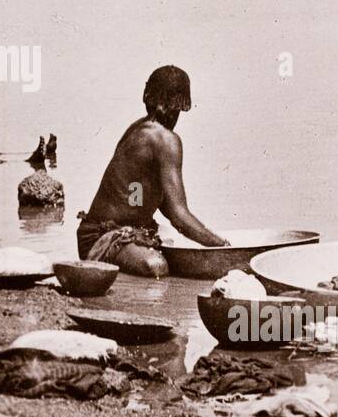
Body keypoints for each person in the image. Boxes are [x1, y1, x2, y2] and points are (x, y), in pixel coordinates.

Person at [77, 65, 229, 277]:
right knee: (157, 266)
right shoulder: (166, 140)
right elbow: (178, 215)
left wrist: (205, 236)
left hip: (92, 233)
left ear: (147, 97)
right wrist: (223, 246)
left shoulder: (139, 128)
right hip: (102, 237)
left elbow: (153, 200)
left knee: (171, 248)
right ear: (180, 104)